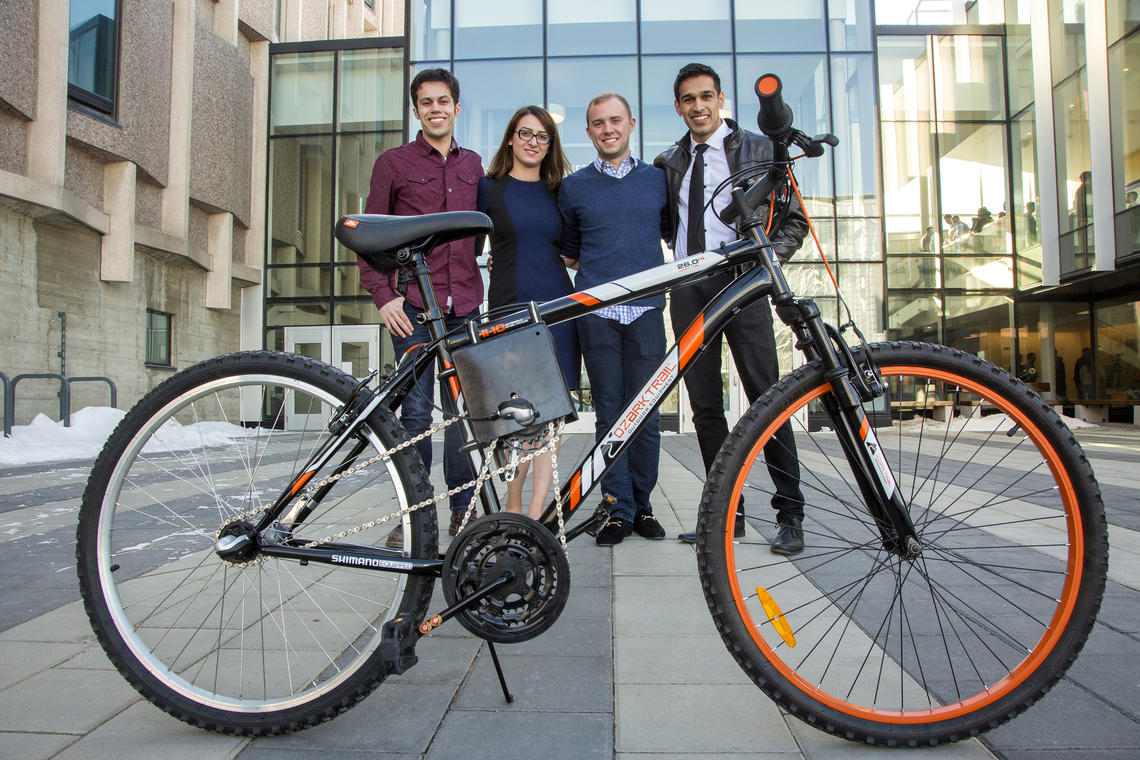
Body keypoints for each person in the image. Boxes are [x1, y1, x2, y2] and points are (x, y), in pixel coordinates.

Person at [654, 63, 808, 555]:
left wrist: (764, 264)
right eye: (688, 100)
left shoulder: (761, 150)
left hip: (744, 284)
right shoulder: (667, 161)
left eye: (706, 96)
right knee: (704, 407)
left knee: (769, 398)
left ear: (720, 99)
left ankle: (790, 514)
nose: (698, 106)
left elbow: (795, 221)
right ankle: (728, 515)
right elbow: (667, 226)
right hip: (690, 289)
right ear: (678, 107)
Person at [356, 68, 484, 547]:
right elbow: (368, 237)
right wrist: (382, 295)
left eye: (443, 100)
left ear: (456, 107)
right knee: (413, 415)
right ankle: (414, 514)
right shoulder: (393, 163)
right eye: (426, 102)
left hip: (464, 304)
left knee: (462, 414)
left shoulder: (473, 165)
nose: (436, 108)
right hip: (410, 307)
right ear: (416, 110)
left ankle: (464, 510)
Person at [557, 92, 670, 546]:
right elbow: (569, 249)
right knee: (610, 413)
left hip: (647, 312)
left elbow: (671, 233)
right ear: (588, 132)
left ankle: (642, 506)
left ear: (631, 124)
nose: (608, 129)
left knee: (647, 413)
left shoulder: (658, 181)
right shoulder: (574, 187)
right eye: (598, 123)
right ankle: (617, 509)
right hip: (597, 314)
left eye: (615, 121)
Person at [477, 106, 579, 519]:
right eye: (526, 133)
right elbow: (469, 247)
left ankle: (537, 510)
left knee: (550, 411)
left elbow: (573, 252)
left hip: (556, 306)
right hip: (508, 306)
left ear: (550, 145)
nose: (533, 141)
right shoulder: (487, 189)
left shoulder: (560, 192)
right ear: (511, 138)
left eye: (542, 136)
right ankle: (513, 501)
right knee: (513, 413)